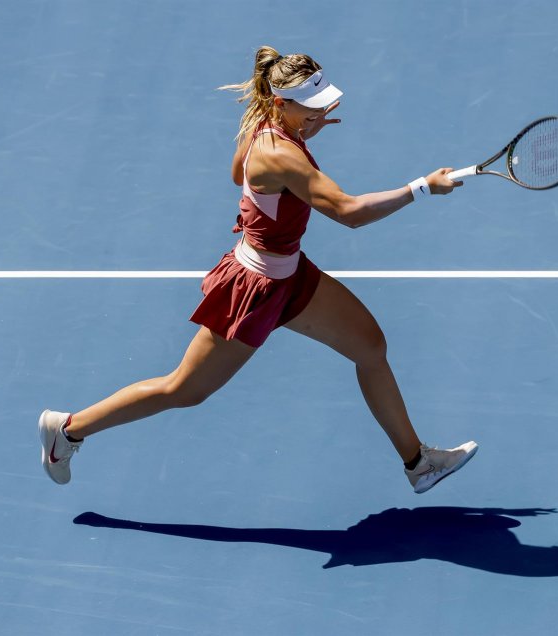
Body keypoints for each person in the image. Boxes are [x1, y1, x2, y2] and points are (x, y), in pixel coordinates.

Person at [38, 46, 477, 494]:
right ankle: (67, 430)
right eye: (313, 107)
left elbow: (238, 174)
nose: (323, 112)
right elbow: (348, 212)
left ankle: (418, 463)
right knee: (184, 390)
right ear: (283, 102)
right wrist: (421, 187)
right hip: (255, 288)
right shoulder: (280, 153)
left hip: (290, 274)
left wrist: (303, 130)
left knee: (370, 345)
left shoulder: (265, 125)